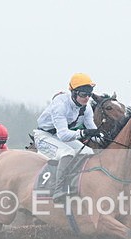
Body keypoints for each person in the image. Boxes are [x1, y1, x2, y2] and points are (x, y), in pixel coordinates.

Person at [33, 73, 102, 201]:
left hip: (58, 136)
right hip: (44, 136)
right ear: (74, 93)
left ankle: (75, 183)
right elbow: (64, 135)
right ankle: (58, 189)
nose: (86, 98)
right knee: (67, 153)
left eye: (89, 94)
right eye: (83, 94)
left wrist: (103, 137)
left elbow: (93, 131)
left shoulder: (86, 108)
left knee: (88, 151)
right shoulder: (60, 105)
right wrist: (83, 133)